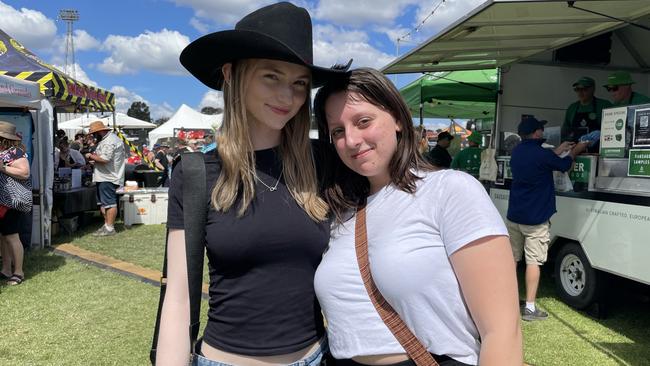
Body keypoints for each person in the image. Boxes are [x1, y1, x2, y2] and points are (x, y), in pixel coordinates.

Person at [156, 3, 349, 366]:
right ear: (231, 74)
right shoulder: (197, 172)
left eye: (299, 83)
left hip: (317, 358)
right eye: (271, 77)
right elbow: (179, 296)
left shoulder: (323, 162)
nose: (287, 96)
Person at [313, 68, 522, 366]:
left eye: (363, 121)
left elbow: (502, 331)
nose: (352, 139)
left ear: (398, 118)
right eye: (337, 131)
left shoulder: (449, 190)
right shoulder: (341, 211)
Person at [506, 117, 587, 321]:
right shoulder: (542, 155)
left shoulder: (516, 152)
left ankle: (504, 301)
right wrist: (575, 151)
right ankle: (530, 308)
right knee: (533, 261)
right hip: (536, 220)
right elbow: (563, 165)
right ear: (537, 133)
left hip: (514, 215)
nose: (542, 132)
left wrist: (557, 150)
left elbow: (544, 160)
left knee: (512, 260)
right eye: (541, 130)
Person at [0, 121, 31, 286]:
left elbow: (25, 173)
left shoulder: (15, 152)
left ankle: (18, 272)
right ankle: (6, 269)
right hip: (3, 201)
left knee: (11, 236)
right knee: (4, 237)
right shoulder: (5, 152)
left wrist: (3, 168)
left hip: (11, 201)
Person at [84, 120, 125, 237]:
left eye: (94, 133)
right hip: (105, 175)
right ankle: (107, 225)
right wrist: (95, 160)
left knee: (109, 203)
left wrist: (90, 155)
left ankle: (110, 227)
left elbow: (105, 159)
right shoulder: (108, 140)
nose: (93, 136)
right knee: (104, 203)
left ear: (99, 131)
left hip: (108, 176)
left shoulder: (109, 141)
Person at [561, 77, 612, 150]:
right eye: (577, 89)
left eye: (584, 89)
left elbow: (612, 130)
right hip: (575, 152)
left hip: (598, 152)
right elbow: (565, 133)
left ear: (593, 89)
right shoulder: (572, 108)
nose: (580, 92)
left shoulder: (604, 105)